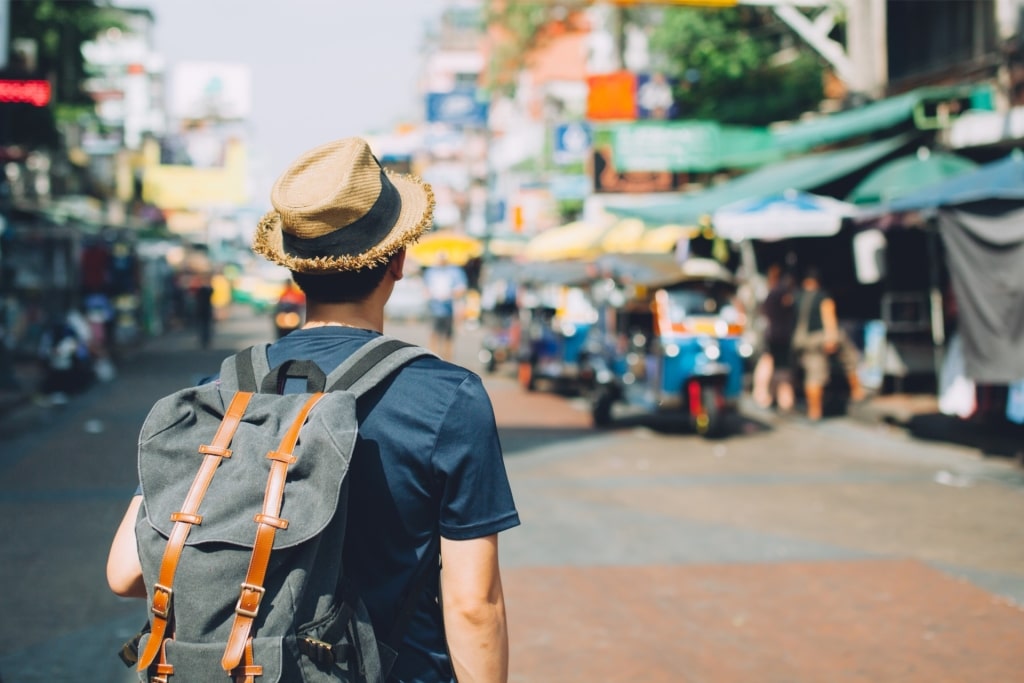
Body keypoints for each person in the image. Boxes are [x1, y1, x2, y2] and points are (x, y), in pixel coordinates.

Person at [106, 137, 519, 683]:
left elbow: (125, 572)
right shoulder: (447, 398)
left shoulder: (220, 394)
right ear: (398, 260)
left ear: (293, 271)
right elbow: (473, 604)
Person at [791, 266, 866, 420]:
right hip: (820, 337)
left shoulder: (796, 296)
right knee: (850, 359)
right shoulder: (822, 296)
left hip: (803, 341)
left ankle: (814, 411)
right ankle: (857, 391)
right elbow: (829, 316)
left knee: (813, 373)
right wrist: (831, 338)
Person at [751, 264, 796, 412]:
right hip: (781, 335)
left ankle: (768, 395)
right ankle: (782, 399)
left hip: (771, 334)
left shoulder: (771, 293)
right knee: (780, 368)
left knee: (771, 364)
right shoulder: (781, 293)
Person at [423, 250, 467, 361]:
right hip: (434, 307)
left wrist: (450, 294)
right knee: (434, 334)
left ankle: (448, 359)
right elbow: (425, 288)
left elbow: (461, 288)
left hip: (449, 308)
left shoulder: (455, 271)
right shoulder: (431, 272)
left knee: (448, 335)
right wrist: (431, 295)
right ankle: (432, 358)